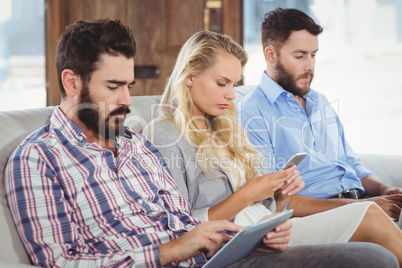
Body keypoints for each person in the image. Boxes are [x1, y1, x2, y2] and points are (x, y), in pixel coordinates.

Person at [4, 18, 393, 268]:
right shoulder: (38, 158)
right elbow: (56, 260)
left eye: (128, 86)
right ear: (72, 82)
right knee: (370, 257)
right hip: (183, 259)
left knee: (372, 256)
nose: (125, 99)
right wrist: (172, 250)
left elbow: (186, 221)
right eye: (113, 86)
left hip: (214, 254)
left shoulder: (135, 145)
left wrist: (250, 232)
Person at [143, 29, 402, 266]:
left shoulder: (223, 126)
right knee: (370, 215)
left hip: (262, 230)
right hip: (234, 244)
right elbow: (179, 227)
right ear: (189, 77)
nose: (232, 94)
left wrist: (280, 198)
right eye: (222, 83)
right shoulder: (163, 134)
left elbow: (261, 210)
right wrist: (247, 194)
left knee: (371, 220)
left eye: (234, 84)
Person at [237, 8, 402, 220]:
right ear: (271, 55)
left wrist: (386, 190)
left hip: (360, 203)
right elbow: (273, 201)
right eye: (300, 56)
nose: (310, 66)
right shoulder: (251, 113)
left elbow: (352, 165)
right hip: (322, 215)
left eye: (313, 55)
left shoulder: (319, 101)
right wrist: (361, 207)